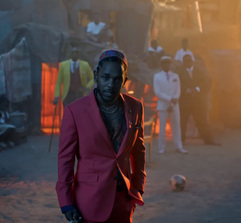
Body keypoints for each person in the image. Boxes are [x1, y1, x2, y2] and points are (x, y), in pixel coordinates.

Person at [56, 49, 146, 223]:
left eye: (117, 79)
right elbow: (65, 160)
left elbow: (138, 150)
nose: (110, 84)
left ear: (124, 81)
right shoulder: (75, 111)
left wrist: (138, 186)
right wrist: (66, 202)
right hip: (89, 203)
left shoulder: (135, 107)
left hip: (123, 202)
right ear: (96, 75)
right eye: (105, 78)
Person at [178, 54, 219, 145]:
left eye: (189, 61)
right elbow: (178, 84)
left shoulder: (199, 71)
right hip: (185, 102)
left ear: (192, 61)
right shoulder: (179, 73)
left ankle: (209, 141)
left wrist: (197, 89)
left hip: (198, 102)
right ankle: (181, 141)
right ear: (183, 62)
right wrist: (187, 90)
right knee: (182, 123)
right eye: (186, 61)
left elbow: (207, 82)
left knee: (203, 122)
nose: (188, 63)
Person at [153, 56, 187, 154]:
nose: (167, 65)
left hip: (174, 104)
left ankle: (179, 146)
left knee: (176, 125)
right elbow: (157, 92)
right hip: (163, 105)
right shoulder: (157, 76)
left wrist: (175, 98)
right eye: (165, 63)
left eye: (169, 63)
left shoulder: (175, 76)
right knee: (162, 127)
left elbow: (178, 89)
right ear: (162, 65)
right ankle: (161, 148)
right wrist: (169, 99)